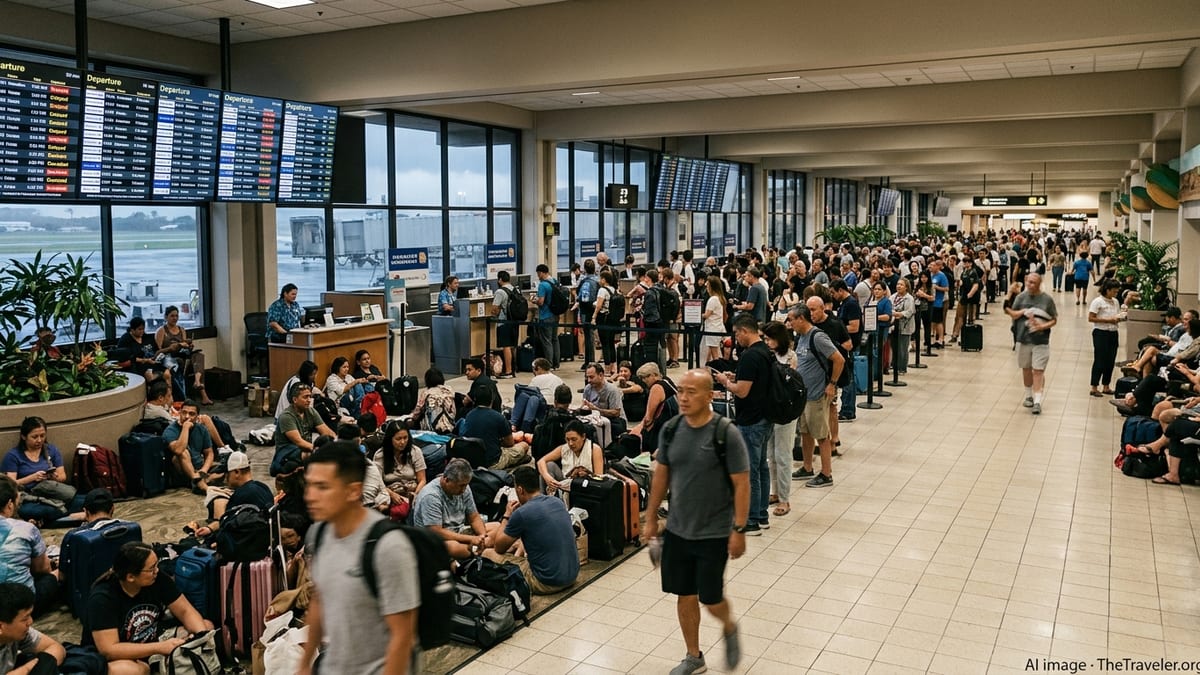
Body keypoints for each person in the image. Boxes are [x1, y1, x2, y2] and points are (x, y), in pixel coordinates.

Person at [642, 369, 748, 675]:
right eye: (681, 391)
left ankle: (728, 626)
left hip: (714, 533)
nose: (684, 398)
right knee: (684, 594)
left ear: (709, 395)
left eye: (692, 392)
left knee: (711, 599)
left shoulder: (725, 433)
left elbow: (742, 484)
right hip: (677, 530)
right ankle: (694, 655)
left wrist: (739, 529)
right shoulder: (672, 429)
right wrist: (650, 519)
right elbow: (661, 475)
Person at [299, 441, 419, 675]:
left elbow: (403, 635)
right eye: (309, 485)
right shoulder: (320, 533)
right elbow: (319, 601)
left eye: (322, 487)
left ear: (353, 491)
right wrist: (304, 665)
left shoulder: (388, 547)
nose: (310, 496)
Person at [85, 541, 213, 672]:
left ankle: (166, 664)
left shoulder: (157, 578)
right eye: (151, 568)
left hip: (154, 638)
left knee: (205, 626)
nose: (157, 571)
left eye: (156, 565)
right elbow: (109, 650)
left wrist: (201, 637)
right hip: (122, 654)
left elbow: (185, 611)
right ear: (130, 577)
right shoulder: (103, 598)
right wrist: (160, 647)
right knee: (131, 670)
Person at [712, 315, 774, 535]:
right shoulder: (766, 351)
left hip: (751, 420)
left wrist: (726, 382)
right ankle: (762, 514)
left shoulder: (750, 355)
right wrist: (736, 376)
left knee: (750, 471)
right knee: (762, 466)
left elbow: (742, 391)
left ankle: (751, 520)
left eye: (737, 333)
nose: (736, 338)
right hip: (765, 416)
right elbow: (754, 381)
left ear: (745, 331)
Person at [492, 466, 580, 594]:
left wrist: (507, 515)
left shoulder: (521, 513)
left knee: (488, 554)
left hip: (545, 582)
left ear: (520, 489)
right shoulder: (557, 502)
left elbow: (498, 547)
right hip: (572, 576)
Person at [788, 306, 845, 489]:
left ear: (802, 319)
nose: (790, 324)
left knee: (821, 435)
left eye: (792, 319)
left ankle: (826, 474)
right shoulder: (802, 337)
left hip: (818, 394)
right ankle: (807, 467)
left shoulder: (817, 337)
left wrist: (832, 384)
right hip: (804, 395)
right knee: (805, 433)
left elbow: (839, 359)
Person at [412, 458, 501, 559]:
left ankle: (479, 548)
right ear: (446, 480)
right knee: (452, 547)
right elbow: (436, 532)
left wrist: (482, 537)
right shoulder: (430, 496)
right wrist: (471, 539)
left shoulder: (464, 487)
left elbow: (474, 517)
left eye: (466, 485)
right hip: (436, 538)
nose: (464, 489)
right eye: (461, 486)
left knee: (497, 526)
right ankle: (482, 550)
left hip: (458, 530)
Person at [0, 476, 59, 619]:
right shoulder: (25, 529)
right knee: (57, 574)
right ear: (10, 504)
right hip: (20, 605)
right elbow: (42, 569)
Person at [2, 417, 78, 525]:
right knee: (44, 511)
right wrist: (31, 478)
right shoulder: (13, 456)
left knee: (81, 500)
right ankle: (71, 517)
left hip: (50, 491)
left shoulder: (51, 450)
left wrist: (53, 476)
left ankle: (54, 520)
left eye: (42, 436)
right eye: (34, 437)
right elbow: (9, 484)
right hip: (27, 497)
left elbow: (62, 476)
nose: (39, 440)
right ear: (24, 437)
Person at [1007, 272, 1058, 415]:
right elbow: (1012, 313)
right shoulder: (1020, 298)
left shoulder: (1047, 300)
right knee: (1026, 368)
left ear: (1039, 284)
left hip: (1041, 341)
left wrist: (1042, 326)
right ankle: (1028, 395)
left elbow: (1054, 319)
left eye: (1033, 283)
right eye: (1028, 282)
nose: (1030, 285)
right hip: (1023, 339)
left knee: (1038, 370)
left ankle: (1037, 401)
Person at [190, 451, 273, 539]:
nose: (225, 479)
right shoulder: (263, 487)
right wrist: (209, 528)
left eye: (227, 474)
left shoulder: (241, 495)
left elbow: (226, 527)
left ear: (237, 472)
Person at [761, 321, 796, 515]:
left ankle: (785, 499)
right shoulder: (766, 355)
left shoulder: (790, 356)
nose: (766, 342)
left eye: (769, 338)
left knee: (783, 455)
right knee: (770, 455)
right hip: (769, 410)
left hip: (785, 411)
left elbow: (790, 382)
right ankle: (775, 491)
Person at [0, 581, 65, 675]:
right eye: (25, 619)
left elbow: (57, 648)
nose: (30, 622)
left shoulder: (19, 634)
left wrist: (28, 668)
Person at [272, 383, 336, 476]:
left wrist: (338, 444)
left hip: (304, 450)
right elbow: (299, 442)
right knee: (314, 456)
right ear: (295, 399)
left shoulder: (311, 411)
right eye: (305, 397)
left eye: (310, 397)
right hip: (287, 453)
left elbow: (326, 432)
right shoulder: (286, 417)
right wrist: (318, 450)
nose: (309, 400)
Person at [458, 388, 531, 470]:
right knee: (524, 445)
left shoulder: (469, 415)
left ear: (475, 400)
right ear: (492, 399)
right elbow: (510, 443)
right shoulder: (498, 417)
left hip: (474, 460)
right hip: (493, 462)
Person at [154, 305, 211, 405]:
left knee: (199, 356)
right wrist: (172, 347)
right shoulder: (161, 331)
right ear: (166, 317)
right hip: (169, 357)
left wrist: (189, 346)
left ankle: (198, 383)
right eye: (172, 316)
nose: (175, 318)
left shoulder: (181, 329)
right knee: (179, 363)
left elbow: (185, 346)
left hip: (183, 355)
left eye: (176, 316)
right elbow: (158, 352)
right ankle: (185, 396)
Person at [373, 422, 427, 522]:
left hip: (412, 491)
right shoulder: (380, 455)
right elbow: (377, 483)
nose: (402, 442)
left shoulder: (415, 451)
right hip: (390, 493)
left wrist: (415, 495)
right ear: (390, 439)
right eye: (398, 439)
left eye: (405, 438)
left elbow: (422, 480)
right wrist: (392, 494)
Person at [164, 400, 219, 494]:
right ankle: (197, 480)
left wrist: (203, 470)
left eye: (191, 414)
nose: (187, 417)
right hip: (180, 469)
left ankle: (201, 480)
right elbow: (178, 450)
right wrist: (185, 428)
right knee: (183, 452)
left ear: (197, 417)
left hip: (198, 466)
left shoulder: (201, 429)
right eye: (184, 412)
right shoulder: (170, 430)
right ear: (179, 412)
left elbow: (209, 453)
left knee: (228, 468)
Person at [536, 419, 604, 495]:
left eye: (574, 439)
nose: (571, 443)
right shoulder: (564, 448)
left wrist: (587, 475)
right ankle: (544, 498)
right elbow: (541, 461)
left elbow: (599, 479)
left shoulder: (594, 449)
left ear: (583, 436)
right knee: (549, 465)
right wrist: (547, 477)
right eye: (567, 440)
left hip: (586, 486)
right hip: (565, 484)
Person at [829, 279, 861, 422]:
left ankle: (848, 410)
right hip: (843, 345)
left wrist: (837, 329)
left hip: (850, 345)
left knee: (848, 379)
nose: (832, 296)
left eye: (833, 292)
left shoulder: (851, 304)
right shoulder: (844, 304)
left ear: (841, 290)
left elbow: (854, 327)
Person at [1088, 280, 1126, 397]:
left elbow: (1117, 314)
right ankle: (1094, 386)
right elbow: (1091, 318)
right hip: (1101, 332)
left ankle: (1106, 385)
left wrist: (1120, 317)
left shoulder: (1115, 302)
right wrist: (1108, 320)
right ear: (1107, 290)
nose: (1116, 293)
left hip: (1113, 332)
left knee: (1110, 360)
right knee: (1100, 359)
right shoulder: (1097, 302)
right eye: (1114, 291)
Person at [116, 317, 171, 390]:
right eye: (139, 329)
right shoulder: (125, 340)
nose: (142, 331)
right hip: (139, 366)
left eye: (143, 329)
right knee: (150, 375)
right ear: (132, 329)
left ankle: (169, 395)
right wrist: (145, 360)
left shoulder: (147, 337)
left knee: (167, 373)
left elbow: (156, 350)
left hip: (153, 362)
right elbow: (127, 358)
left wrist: (158, 356)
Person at [581, 363, 626, 433]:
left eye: (591, 377)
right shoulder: (588, 388)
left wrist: (596, 409)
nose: (589, 380)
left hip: (615, 421)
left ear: (601, 375)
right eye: (587, 377)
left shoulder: (612, 390)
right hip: (596, 419)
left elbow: (616, 413)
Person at [533, 264, 561, 369]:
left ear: (541, 273)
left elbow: (541, 301)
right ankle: (556, 363)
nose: (538, 276)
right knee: (555, 339)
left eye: (538, 273)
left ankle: (549, 364)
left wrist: (534, 300)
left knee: (546, 341)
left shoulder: (542, 285)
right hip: (555, 314)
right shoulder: (554, 281)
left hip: (545, 315)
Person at [412, 367, 457, 434]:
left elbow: (417, 412)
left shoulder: (427, 393)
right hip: (450, 426)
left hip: (432, 428)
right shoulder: (449, 391)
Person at [491, 270, 519, 378]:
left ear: (500, 279)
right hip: (514, 320)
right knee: (513, 345)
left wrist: (494, 314)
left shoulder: (500, 292)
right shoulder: (515, 289)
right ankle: (513, 368)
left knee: (506, 346)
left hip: (504, 321)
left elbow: (495, 308)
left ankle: (508, 371)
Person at [950, 255, 981, 344]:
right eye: (964, 262)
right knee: (959, 316)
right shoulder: (964, 272)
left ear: (971, 263)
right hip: (963, 296)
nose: (966, 264)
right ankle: (956, 334)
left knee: (970, 317)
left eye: (967, 262)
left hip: (970, 298)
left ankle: (968, 337)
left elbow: (976, 285)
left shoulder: (973, 272)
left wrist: (970, 294)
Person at [890, 278, 916, 376]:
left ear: (906, 287)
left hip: (905, 326)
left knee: (903, 348)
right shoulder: (893, 297)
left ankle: (902, 368)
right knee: (894, 346)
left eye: (901, 285)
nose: (899, 286)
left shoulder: (909, 298)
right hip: (893, 326)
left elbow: (909, 312)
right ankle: (894, 364)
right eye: (898, 284)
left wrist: (897, 313)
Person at [576, 258, 599, 369]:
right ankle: (590, 361)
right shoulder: (598, 280)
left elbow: (584, 299)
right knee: (591, 337)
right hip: (596, 310)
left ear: (584, 269)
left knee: (589, 337)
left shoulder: (585, 282)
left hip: (586, 312)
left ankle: (590, 362)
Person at [702, 276, 729, 364]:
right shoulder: (720, 298)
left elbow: (706, 315)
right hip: (718, 327)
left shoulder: (713, 299)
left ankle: (716, 370)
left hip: (712, 328)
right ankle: (707, 365)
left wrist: (697, 315)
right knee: (712, 349)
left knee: (715, 355)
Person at [929, 259, 949, 349]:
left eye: (933, 265)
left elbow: (946, 288)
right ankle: (934, 338)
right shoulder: (931, 275)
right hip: (931, 301)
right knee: (933, 321)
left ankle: (941, 339)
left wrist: (937, 287)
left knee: (938, 321)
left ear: (937, 266)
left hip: (938, 302)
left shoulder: (941, 275)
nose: (931, 267)